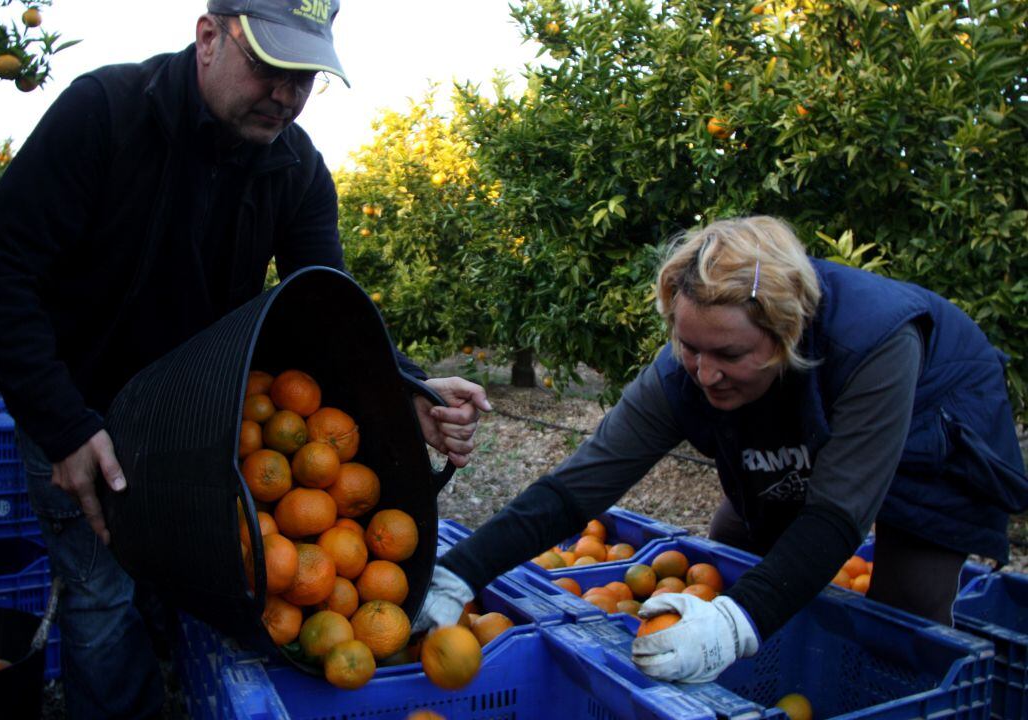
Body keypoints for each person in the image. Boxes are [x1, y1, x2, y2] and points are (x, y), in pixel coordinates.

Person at [0, 1, 490, 716]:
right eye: (270, 66)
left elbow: (330, 313)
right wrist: (61, 426)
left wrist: (408, 387)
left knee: (193, 579)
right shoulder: (106, 114)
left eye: (305, 76)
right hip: (82, 417)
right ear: (208, 36)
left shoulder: (295, 168)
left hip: (201, 423)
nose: (287, 95)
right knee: (102, 598)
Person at [416, 215, 1027, 683]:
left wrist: (736, 624)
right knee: (732, 545)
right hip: (807, 403)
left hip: (935, 430)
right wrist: (458, 574)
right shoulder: (689, 366)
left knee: (905, 610)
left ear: (785, 335)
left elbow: (838, 512)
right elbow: (581, 485)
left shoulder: (875, 343)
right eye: (690, 346)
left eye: (730, 354)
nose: (705, 373)